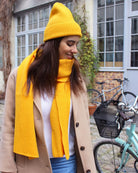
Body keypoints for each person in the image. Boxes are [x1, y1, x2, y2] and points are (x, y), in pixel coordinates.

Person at [0, 2, 96, 173]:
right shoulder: (21, 76)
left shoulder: (75, 77)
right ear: (55, 43)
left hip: (69, 162)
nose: (75, 50)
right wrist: (7, 168)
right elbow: (9, 126)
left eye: (76, 45)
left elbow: (82, 125)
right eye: (70, 43)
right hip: (33, 165)